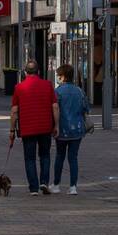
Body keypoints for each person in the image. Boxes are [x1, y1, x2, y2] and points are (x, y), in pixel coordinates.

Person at [10, 62, 58, 195]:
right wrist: (56, 125)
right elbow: (55, 107)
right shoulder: (48, 85)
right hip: (45, 127)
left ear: (25, 72)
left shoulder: (19, 87)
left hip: (27, 129)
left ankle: (33, 188)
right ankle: (44, 182)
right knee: (45, 155)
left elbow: (14, 111)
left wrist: (12, 130)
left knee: (29, 158)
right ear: (39, 71)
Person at [50, 64, 88, 195]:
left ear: (63, 77)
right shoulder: (79, 91)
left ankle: (56, 184)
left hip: (62, 129)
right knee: (73, 158)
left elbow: (54, 110)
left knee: (59, 156)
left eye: (58, 76)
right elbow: (85, 109)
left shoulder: (58, 92)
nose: (57, 79)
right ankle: (73, 187)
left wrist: (54, 126)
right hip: (77, 129)